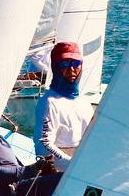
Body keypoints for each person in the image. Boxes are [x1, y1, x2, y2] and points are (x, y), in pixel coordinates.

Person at [34, 41, 96, 170]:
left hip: (85, 167)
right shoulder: (49, 102)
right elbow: (43, 145)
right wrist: (73, 166)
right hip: (63, 172)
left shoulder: (84, 100)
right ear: (55, 67)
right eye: (64, 64)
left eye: (76, 63)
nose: (71, 69)